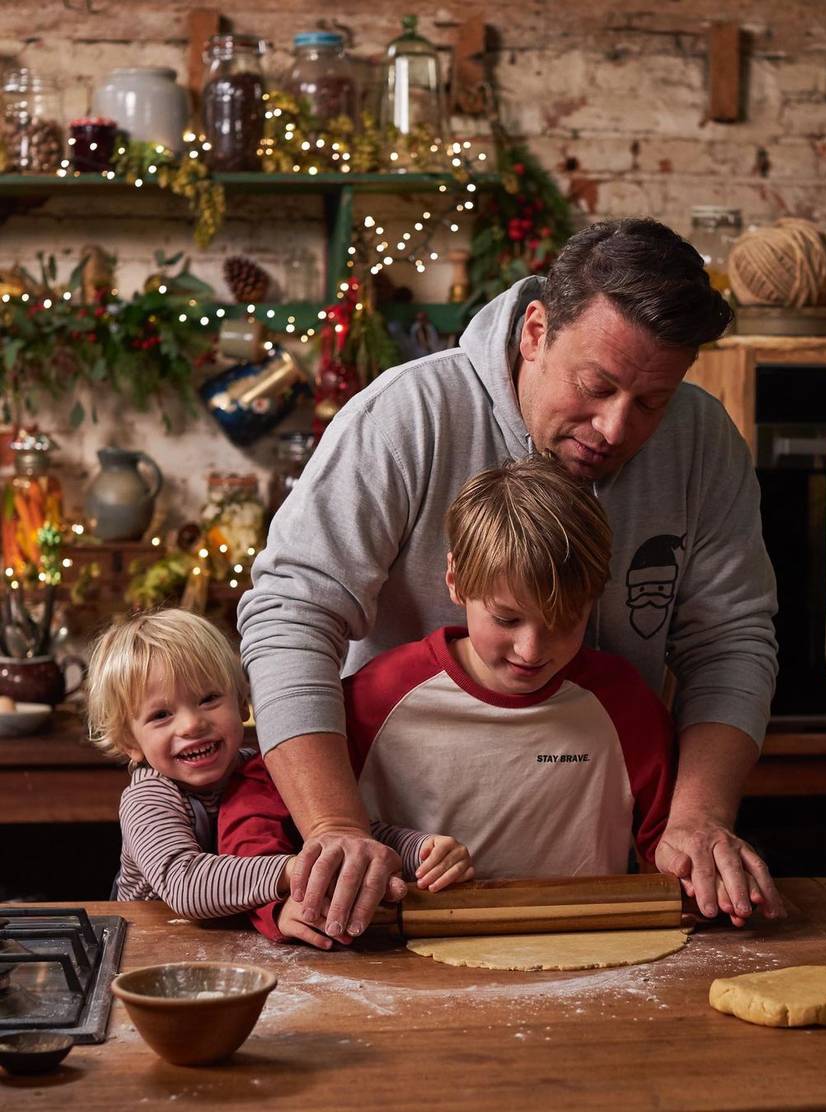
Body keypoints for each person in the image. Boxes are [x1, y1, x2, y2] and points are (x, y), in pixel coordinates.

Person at [238, 217, 784, 943]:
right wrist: (335, 828)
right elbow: (291, 614)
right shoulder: (407, 416)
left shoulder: (704, 442)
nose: (616, 429)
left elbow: (732, 641)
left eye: (651, 402)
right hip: (392, 872)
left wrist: (697, 817)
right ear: (534, 332)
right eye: (598, 386)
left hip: (587, 867)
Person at [220, 456, 676, 945]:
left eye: (564, 622)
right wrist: (278, 899)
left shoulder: (624, 704)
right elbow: (256, 800)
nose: (531, 650)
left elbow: (671, 848)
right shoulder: (384, 695)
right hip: (402, 961)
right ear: (456, 581)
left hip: (591, 958)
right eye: (506, 619)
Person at [88, 607, 463, 925]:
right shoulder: (148, 798)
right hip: (149, 951)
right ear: (130, 743)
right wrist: (300, 870)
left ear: (243, 705)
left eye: (208, 699)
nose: (191, 724)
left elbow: (355, 838)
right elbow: (185, 884)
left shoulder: (270, 770)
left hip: (237, 947)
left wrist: (420, 851)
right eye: (161, 715)